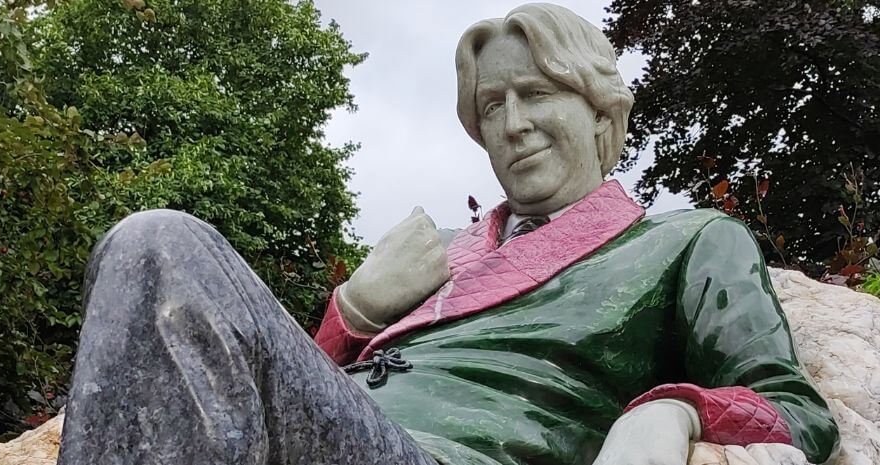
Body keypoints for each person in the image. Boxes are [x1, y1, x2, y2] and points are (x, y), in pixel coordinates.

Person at [56, 4, 838, 465]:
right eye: (491, 106)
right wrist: (352, 312)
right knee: (143, 250)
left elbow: (791, 405)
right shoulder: (439, 260)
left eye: (536, 94)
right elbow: (240, 386)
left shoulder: (686, 239)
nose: (513, 124)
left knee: (162, 239)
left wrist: (670, 410)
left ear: (604, 113)